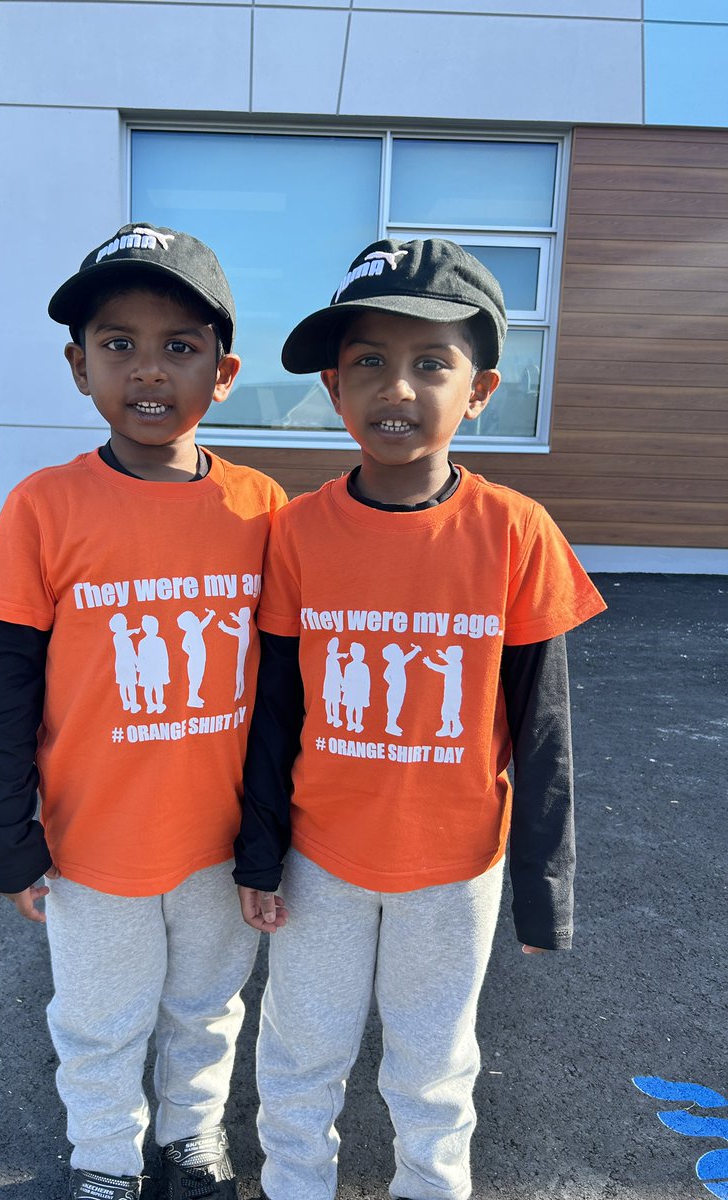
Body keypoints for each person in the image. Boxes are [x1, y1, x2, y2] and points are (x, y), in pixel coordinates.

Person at [233, 238, 606, 1200]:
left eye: (430, 363)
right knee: (299, 1052)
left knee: (434, 1067)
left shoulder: (515, 532)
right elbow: (274, 712)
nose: (397, 387)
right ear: (332, 385)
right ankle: (294, 1186)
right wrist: (261, 857)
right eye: (369, 361)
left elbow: (543, 726)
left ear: (478, 390)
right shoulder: (298, 531)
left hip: (454, 867)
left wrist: (543, 883)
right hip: (323, 861)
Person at [0, 222, 286, 1200]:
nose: (149, 370)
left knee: (206, 1005)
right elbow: (1, 690)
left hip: (217, 841)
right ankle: (105, 1157)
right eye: (119, 344)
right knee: (101, 1018)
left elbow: (285, 692)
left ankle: (192, 1143)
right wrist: (4, 833)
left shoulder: (261, 508)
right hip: (91, 843)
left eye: (180, 347)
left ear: (222, 375)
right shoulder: (44, 508)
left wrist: (274, 832)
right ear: (78, 365)